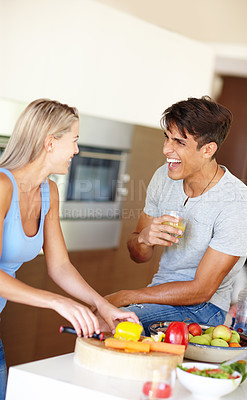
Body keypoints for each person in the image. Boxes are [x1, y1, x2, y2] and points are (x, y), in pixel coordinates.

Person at [0, 99, 138, 398]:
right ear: (50, 142)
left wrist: (103, 305)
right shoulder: (2, 187)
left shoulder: (48, 191)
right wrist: (58, 302)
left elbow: (60, 266)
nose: (76, 150)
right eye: (74, 140)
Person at [105, 96, 247, 336]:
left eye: (179, 142)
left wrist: (125, 296)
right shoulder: (163, 178)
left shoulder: (237, 203)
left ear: (207, 150)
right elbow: (138, 255)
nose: (166, 149)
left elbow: (202, 290)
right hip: (157, 296)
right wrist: (144, 239)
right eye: (167, 137)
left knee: (113, 324)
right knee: (100, 317)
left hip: (204, 309)